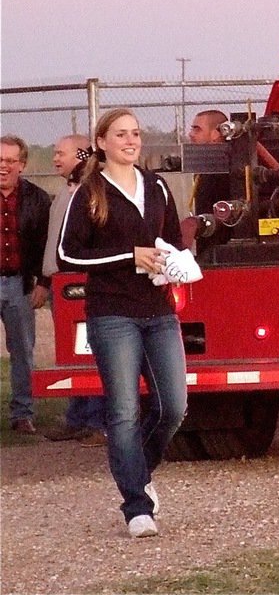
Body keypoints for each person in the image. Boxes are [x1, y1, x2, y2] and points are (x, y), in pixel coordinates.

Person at [58, 109, 188, 538]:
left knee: (173, 406)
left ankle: (138, 469)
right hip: (112, 313)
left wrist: (174, 262)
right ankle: (136, 506)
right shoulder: (88, 193)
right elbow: (67, 256)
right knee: (123, 410)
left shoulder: (158, 186)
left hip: (159, 309)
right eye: (121, 134)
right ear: (102, 141)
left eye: (135, 134)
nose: (131, 141)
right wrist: (129, 257)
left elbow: (170, 239)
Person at [40, 134, 108, 446]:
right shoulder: (68, 189)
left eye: (61, 153)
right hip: (60, 283)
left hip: (79, 282)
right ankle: (78, 417)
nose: (55, 158)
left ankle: (98, 422)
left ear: (82, 154)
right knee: (74, 354)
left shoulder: (90, 190)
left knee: (90, 351)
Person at [0, 135, 52, 435]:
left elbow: (47, 244)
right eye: (0, 160)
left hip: (21, 284)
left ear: (22, 164)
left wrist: (44, 283)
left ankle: (22, 414)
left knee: (23, 351)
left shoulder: (38, 198)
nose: (3, 166)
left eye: (10, 161)